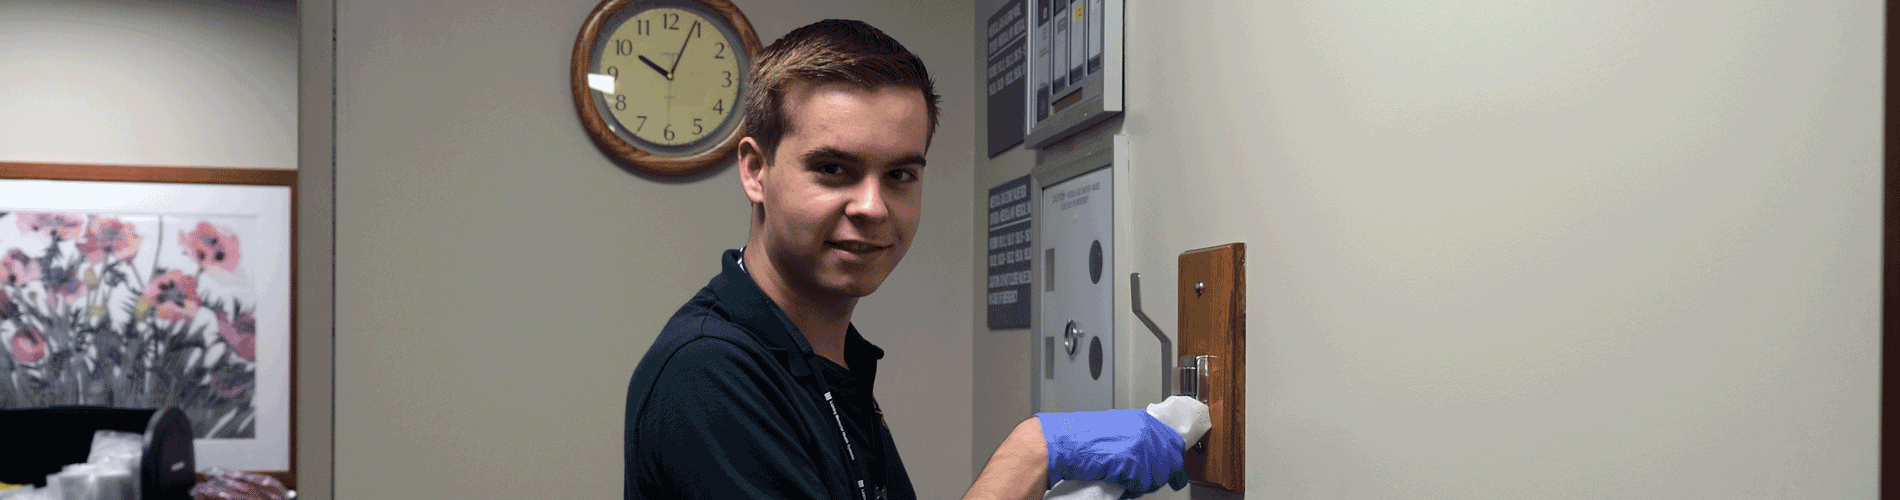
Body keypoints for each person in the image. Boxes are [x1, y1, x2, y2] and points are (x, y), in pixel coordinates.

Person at [624, 19, 1185, 500]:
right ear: (755, 170)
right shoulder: (708, 374)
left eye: (899, 175)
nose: (872, 207)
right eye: (833, 169)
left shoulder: (825, 356)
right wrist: (1029, 456)